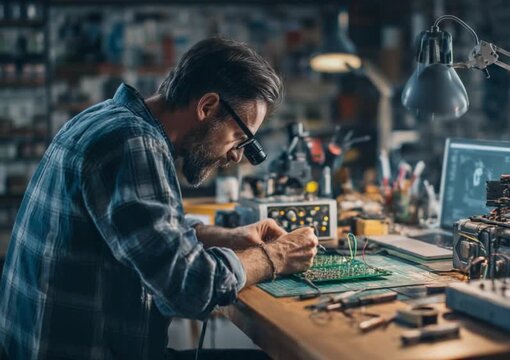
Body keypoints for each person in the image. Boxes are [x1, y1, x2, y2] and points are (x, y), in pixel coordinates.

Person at [0, 36, 318, 359]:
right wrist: (274, 257)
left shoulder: (103, 118)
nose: (237, 156)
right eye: (239, 138)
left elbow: (144, 230)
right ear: (207, 107)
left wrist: (225, 237)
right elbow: (187, 287)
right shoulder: (135, 144)